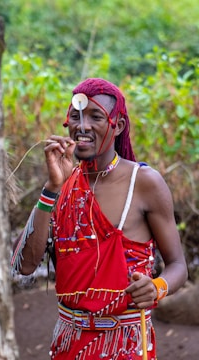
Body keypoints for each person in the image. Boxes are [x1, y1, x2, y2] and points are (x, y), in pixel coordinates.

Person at [11, 78, 188, 359]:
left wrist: (157, 287)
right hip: (67, 343)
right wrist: (52, 189)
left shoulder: (142, 182)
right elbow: (24, 265)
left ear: (117, 126)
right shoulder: (62, 185)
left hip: (126, 345)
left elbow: (178, 265)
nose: (83, 126)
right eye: (75, 116)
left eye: (96, 116)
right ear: (66, 123)